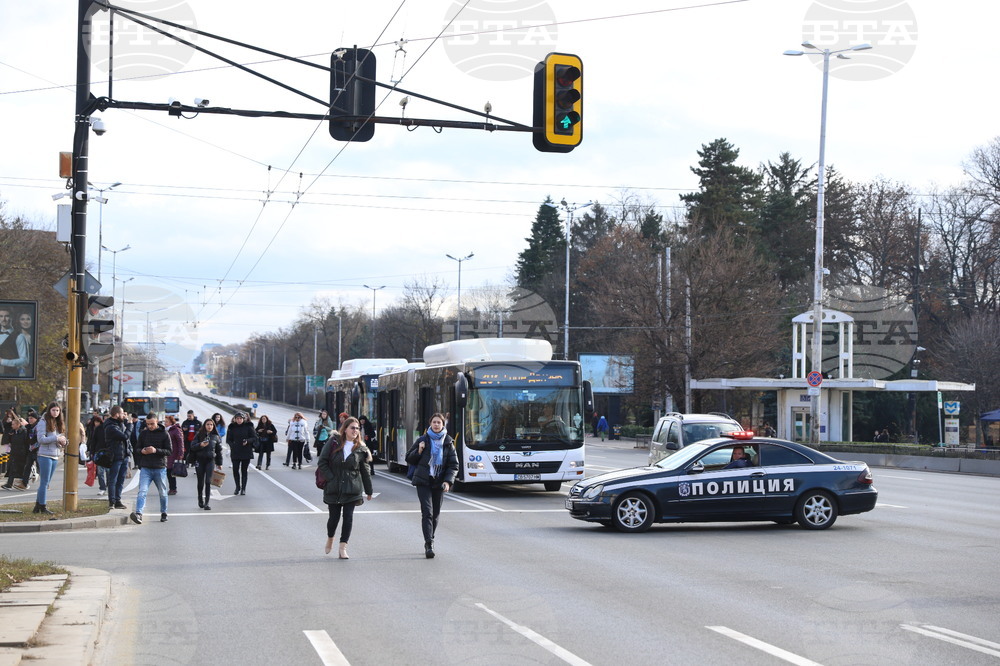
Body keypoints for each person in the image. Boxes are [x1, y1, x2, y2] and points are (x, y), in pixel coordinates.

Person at [317, 417, 373, 559]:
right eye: (353, 428)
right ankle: (330, 538)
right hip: (334, 487)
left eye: (357, 428)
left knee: (348, 517)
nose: (355, 430)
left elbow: (365, 470)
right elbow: (322, 462)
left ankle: (343, 547)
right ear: (345, 429)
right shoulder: (334, 442)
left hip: (352, 488)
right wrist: (331, 478)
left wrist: (369, 490)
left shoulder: (361, 448)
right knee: (333, 518)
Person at [406, 413, 459, 559]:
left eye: (439, 423)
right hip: (423, 480)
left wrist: (448, 481)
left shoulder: (448, 442)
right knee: (427, 512)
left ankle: (431, 536)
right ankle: (428, 543)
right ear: (430, 424)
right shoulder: (423, 440)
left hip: (439, 482)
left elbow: (453, 465)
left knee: (435, 514)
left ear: (443, 425)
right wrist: (419, 450)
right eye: (434, 422)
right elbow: (408, 458)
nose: (436, 425)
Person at [130, 412, 171, 524]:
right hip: (146, 467)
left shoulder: (164, 434)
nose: (150, 426)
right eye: (148, 424)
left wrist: (155, 450)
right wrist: (142, 451)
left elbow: (169, 451)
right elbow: (136, 449)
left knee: (162, 492)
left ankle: (164, 512)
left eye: (152, 424)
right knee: (142, 491)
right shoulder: (143, 434)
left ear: (157, 421)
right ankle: (139, 514)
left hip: (159, 467)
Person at [33, 402, 68, 514]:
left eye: (57, 410)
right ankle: (43, 506)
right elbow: (41, 439)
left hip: (55, 455)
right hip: (44, 455)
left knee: (46, 482)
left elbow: (60, 438)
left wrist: (64, 442)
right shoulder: (43, 422)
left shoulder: (59, 422)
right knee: (44, 483)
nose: (55, 413)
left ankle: (37, 506)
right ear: (49, 410)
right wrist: (56, 438)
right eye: (53, 410)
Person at [189, 419, 223, 510]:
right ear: (204, 425)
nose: (209, 426)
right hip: (199, 461)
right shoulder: (199, 435)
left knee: (208, 481)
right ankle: (200, 499)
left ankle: (207, 503)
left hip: (210, 461)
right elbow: (192, 447)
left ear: (213, 426)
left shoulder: (215, 437)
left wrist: (219, 463)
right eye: (208, 424)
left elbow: (219, 451)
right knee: (200, 482)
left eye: (211, 424)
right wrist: (200, 445)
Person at [103, 406, 131, 510]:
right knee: (113, 480)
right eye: (122, 413)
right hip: (115, 456)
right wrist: (130, 425)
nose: (124, 415)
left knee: (121, 480)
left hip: (123, 455)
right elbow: (124, 436)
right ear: (117, 414)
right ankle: (112, 502)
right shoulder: (111, 426)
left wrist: (125, 422)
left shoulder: (119, 424)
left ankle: (118, 500)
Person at [226, 412, 257, 495]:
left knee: (244, 471)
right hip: (235, 452)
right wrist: (233, 445)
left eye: (240, 418)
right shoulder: (232, 427)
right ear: (235, 419)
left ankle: (243, 488)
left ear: (243, 419)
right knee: (235, 469)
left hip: (246, 451)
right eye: (237, 418)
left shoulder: (248, 426)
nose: (239, 420)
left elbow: (254, 437)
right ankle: (237, 487)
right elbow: (228, 439)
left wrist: (248, 441)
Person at [1, 411, 30, 491]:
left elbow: (26, 443)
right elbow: (10, 440)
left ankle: (24, 483)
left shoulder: (24, 432)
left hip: (22, 453)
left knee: (22, 469)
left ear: (18, 425)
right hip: (14, 453)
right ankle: (9, 484)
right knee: (12, 468)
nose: (12, 425)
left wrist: (26, 453)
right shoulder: (12, 432)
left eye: (13, 424)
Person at [86, 413, 107, 496]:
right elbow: (93, 441)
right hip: (99, 452)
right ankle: (102, 488)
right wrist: (92, 452)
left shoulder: (109, 428)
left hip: (108, 453)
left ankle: (109, 486)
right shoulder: (96, 430)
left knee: (108, 472)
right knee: (100, 472)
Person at [164, 415, 185, 496]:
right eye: (165, 421)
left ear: (171, 422)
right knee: (168, 472)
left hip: (174, 454)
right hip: (167, 454)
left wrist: (180, 454)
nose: (165, 423)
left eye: (167, 422)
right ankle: (171, 488)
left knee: (171, 472)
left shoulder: (176, 430)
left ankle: (173, 489)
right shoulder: (166, 430)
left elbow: (181, 443)